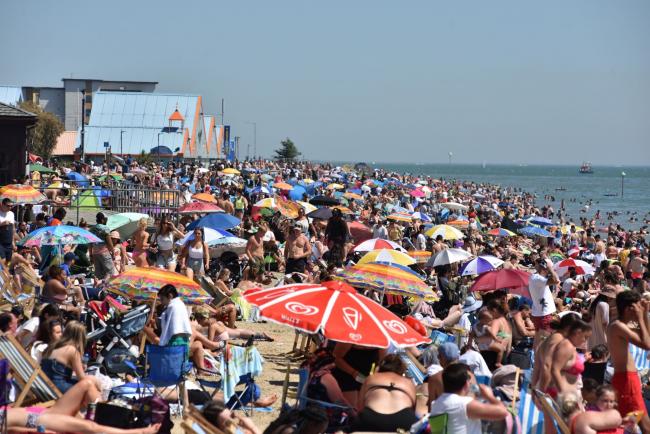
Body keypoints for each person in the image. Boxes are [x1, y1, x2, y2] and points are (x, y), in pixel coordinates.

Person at [607, 290, 650, 433]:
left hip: (627, 379)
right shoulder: (618, 326)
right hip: (627, 381)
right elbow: (646, 345)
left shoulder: (619, 325)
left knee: (627, 425)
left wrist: (643, 314)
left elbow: (648, 337)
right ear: (628, 309)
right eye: (636, 308)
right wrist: (640, 316)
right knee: (645, 426)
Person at [429, 363, 509, 434]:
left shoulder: (436, 404)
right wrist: (489, 396)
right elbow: (503, 412)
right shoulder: (464, 404)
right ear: (466, 384)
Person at [350, 354, 417, 433]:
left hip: (371, 419)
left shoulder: (372, 378)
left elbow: (359, 407)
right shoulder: (408, 383)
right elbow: (413, 409)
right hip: (404, 420)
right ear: (402, 369)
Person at [40, 321, 101, 396]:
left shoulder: (52, 346)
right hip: (56, 388)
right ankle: (98, 405)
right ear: (80, 338)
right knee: (91, 386)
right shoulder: (72, 350)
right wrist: (95, 381)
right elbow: (82, 378)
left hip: (44, 385)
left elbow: (57, 368)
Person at [331, 342, 383, 407]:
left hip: (365, 378)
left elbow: (381, 362)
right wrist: (354, 373)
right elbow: (335, 358)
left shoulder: (382, 339)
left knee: (361, 409)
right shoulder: (351, 336)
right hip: (346, 375)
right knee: (350, 408)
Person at [549, 319, 591, 396]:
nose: (585, 341)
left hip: (569, 393)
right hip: (563, 395)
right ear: (578, 333)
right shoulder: (567, 346)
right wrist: (563, 394)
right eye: (585, 337)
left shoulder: (571, 346)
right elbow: (555, 370)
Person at [557, 389, 624, 434]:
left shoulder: (567, 425)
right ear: (578, 405)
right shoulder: (583, 418)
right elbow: (617, 418)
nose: (609, 404)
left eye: (611, 401)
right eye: (605, 401)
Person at [528, 257, 560, 348]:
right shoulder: (537, 278)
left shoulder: (535, 278)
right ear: (545, 268)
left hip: (541, 314)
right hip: (544, 315)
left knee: (539, 341)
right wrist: (550, 268)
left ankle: (535, 361)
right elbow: (555, 280)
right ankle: (538, 361)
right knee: (543, 343)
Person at [158, 284, 193, 359]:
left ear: (170, 296)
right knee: (180, 365)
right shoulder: (180, 304)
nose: (161, 302)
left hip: (174, 340)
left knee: (172, 366)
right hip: (184, 340)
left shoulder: (172, 306)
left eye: (162, 299)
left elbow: (169, 328)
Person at [89, 212, 115, 281]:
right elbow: (109, 243)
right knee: (110, 272)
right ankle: (107, 289)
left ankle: (99, 289)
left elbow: (90, 243)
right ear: (102, 220)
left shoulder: (92, 229)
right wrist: (113, 253)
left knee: (98, 274)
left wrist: (90, 255)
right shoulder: (105, 228)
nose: (106, 221)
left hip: (95, 253)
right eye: (106, 219)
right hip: (104, 253)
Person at [0, 198, 15, 263]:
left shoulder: (11, 214)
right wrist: (1, 224)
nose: (10, 207)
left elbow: (13, 229)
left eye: (11, 206)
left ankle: (6, 273)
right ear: (2, 205)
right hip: (0, 242)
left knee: (8, 262)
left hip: (8, 243)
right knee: (2, 260)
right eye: (8, 206)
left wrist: (13, 242)